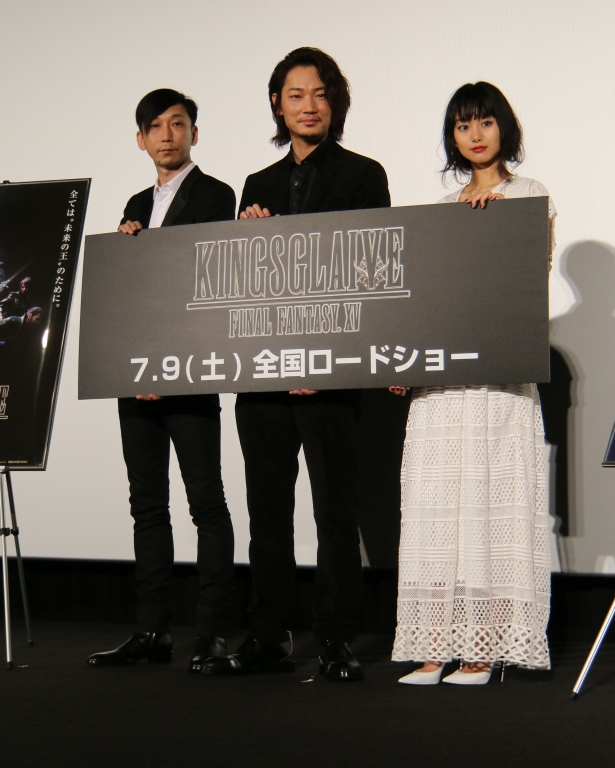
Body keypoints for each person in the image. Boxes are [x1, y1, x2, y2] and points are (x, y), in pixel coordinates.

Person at [202, 47, 389, 682]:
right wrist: (249, 233)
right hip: (263, 375)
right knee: (267, 511)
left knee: (335, 512)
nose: (309, 105)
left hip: (331, 371)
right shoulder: (256, 184)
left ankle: (336, 638)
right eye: (295, 94)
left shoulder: (365, 175)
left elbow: (372, 274)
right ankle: (268, 634)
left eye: (320, 93)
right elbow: (243, 288)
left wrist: (325, 361)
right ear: (278, 106)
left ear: (336, 102)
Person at [387, 82, 554, 686]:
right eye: (463, 125)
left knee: (487, 507)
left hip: (496, 385)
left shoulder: (529, 195)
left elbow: (529, 277)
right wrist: (404, 364)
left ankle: (484, 649)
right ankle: (436, 646)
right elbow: (426, 298)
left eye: (485, 122)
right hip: (441, 387)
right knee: (436, 509)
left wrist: (493, 223)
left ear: (504, 127)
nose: (475, 135)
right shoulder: (440, 211)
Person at [88, 89, 238, 671]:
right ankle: (152, 631)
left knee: (206, 504)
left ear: (194, 134)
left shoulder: (216, 194)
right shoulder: (134, 202)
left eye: (178, 124)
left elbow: (201, 285)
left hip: (189, 372)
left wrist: (166, 365)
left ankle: (212, 632)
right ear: (141, 140)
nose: (167, 135)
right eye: (156, 126)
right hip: (136, 375)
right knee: (147, 505)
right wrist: (127, 248)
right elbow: (133, 294)